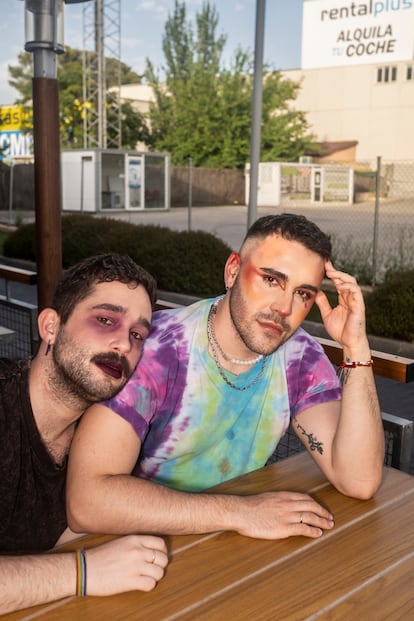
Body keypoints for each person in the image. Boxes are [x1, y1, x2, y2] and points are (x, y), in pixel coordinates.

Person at [67, 214, 384, 543]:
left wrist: (356, 346)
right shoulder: (158, 348)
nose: (284, 308)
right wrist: (240, 512)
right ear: (233, 271)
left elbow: (359, 480)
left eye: (303, 294)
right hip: (129, 543)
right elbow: (86, 503)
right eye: (272, 280)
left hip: (221, 543)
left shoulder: (299, 356)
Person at [0, 254, 168, 615]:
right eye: (106, 320)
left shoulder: (106, 440)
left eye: (138, 334)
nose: (124, 344)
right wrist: (84, 571)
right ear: (50, 327)